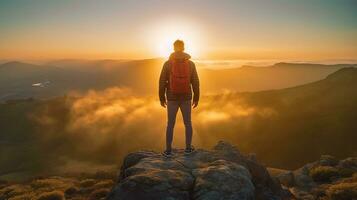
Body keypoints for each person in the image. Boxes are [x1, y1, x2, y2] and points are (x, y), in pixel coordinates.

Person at [159, 40, 200, 157]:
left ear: (173, 48)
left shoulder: (167, 63)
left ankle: (168, 151)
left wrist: (161, 97)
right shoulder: (191, 64)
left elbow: (162, 81)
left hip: (171, 97)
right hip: (186, 97)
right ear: (183, 48)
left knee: (170, 124)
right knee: (188, 123)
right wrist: (196, 97)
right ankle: (188, 149)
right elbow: (195, 81)